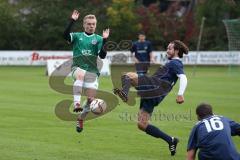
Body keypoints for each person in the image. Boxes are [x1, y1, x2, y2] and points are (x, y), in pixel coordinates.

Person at [113, 40, 188, 156]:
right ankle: (171, 140)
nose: (167, 50)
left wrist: (180, 94)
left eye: (170, 48)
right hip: (154, 94)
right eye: (167, 48)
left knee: (128, 76)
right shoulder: (171, 63)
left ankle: (125, 93)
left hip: (155, 88)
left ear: (176, 51)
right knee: (142, 125)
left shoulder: (175, 63)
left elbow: (183, 77)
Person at [63, 10, 110, 133]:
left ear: (96, 25)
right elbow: (65, 35)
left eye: (93, 24)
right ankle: (77, 104)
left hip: (92, 72)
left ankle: (80, 118)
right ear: (84, 25)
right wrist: (72, 20)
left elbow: (103, 56)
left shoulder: (99, 39)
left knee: (90, 100)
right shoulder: (78, 36)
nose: (91, 26)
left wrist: (105, 41)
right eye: (89, 24)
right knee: (80, 74)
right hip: (77, 68)